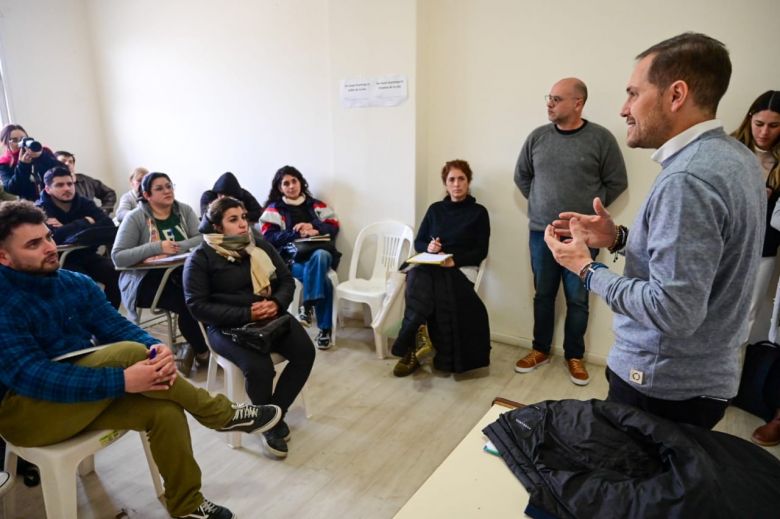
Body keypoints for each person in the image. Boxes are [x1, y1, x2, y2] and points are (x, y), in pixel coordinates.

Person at [0, 199, 282, 519]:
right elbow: (29, 375)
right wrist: (121, 380)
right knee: (129, 355)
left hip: (79, 397)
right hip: (26, 413)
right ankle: (221, 414)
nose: (49, 247)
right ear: (3, 256)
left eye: (48, 237)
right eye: (33, 244)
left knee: (165, 409)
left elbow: (115, 326)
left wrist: (155, 346)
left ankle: (186, 504)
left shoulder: (73, 282)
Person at [545, 32, 765, 429]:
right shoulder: (736, 157)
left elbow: (673, 310)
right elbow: (701, 265)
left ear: (676, 94)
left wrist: (586, 268)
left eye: (633, 93)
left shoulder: (688, 179)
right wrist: (618, 239)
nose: (624, 108)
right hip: (699, 379)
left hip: (659, 385)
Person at [514, 77, 628, 386]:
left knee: (578, 298)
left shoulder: (601, 139)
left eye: (557, 99)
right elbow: (522, 177)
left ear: (578, 103)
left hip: (582, 237)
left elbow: (617, 182)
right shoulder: (537, 137)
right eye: (548, 97)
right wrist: (540, 204)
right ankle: (540, 350)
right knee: (544, 295)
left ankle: (574, 356)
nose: (549, 103)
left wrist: (589, 218)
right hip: (543, 233)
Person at [184, 197, 315, 459]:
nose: (243, 224)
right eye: (233, 220)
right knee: (259, 368)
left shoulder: (258, 246)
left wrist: (276, 303)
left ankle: (271, 416)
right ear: (218, 227)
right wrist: (247, 312)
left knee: (305, 353)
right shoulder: (200, 258)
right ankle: (271, 424)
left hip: (269, 318)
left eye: (243, 217)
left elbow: (286, 280)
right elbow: (197, 306)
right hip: (227, 327)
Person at [391, 159, 491, 377]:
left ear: (468, 181)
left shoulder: (478, 212)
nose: (456, 184)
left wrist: (456, 260)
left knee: (422, 281)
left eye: (461, 179)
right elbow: (419, 243)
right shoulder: (435, 209)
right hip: (434, 264)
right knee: (417, 274)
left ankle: (410, 345)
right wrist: (429, 246)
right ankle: (417, 345)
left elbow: (481, 251)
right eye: (451, 179)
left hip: (461, 267)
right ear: (445, 184)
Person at [112, 172, 209, 375]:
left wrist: (176, 247)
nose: (167, 191)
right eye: (160, 188)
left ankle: (205, 345)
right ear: (147, 195)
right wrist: (156, 247)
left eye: (169, 186)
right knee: (187, 300)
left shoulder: (183, 210)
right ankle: (203, 351)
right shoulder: (135, 218)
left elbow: (201, 237)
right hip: (145, 281)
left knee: (208, 290)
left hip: (180, 272)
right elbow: (118, 257)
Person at [739, 91, 780, 446]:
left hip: (764, 249)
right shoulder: (733, 151)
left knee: (749, 318)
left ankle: (732, 387)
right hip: (728, 245)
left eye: (773, 126)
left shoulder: (779, 164)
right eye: (759, 124)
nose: (764, 132)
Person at [260, 166, 339, 349]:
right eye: (286, 183)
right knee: (324, 280)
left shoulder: (316, 205)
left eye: (294, 181)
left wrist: (314, 227)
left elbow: (333, 226)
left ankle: (308, 304)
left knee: (319, 256)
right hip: (292, 260)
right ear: (280, 188)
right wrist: (296, 234)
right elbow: (268, 238)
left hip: (321, 252)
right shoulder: (274, 210)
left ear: (300, 183)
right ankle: (324, 330)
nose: (291, 186)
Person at [35, 166, 121, 308]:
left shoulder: (84, 202)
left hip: (87, 254)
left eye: (70, 184)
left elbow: (107, 225)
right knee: (84, 284)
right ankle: (87, 323)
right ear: (48, 189)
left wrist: (65, 228)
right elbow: (55, 237)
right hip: (61, 260)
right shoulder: (40, 209)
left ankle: (110, 317)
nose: (67, 188)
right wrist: (85, 222)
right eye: (60, 185)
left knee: (116, 274)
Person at [0, 124, 61, 201]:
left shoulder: (43, 151)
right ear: (6, 143)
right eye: (15, 140)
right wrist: (23, 165)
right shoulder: (4, 163)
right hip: (30, 205)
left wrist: (41, 157)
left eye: (23, 139)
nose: (21, 143)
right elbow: (12, 189)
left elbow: (62, 170)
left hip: (55, 199)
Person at [55, 150, 117, 216]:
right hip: (68, 223)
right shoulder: (50, 184)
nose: (67, 164)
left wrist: (103, 211)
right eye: (63, 161)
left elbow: (109, 193)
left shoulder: (85, 180)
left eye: (71, 162)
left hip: (94, 221)